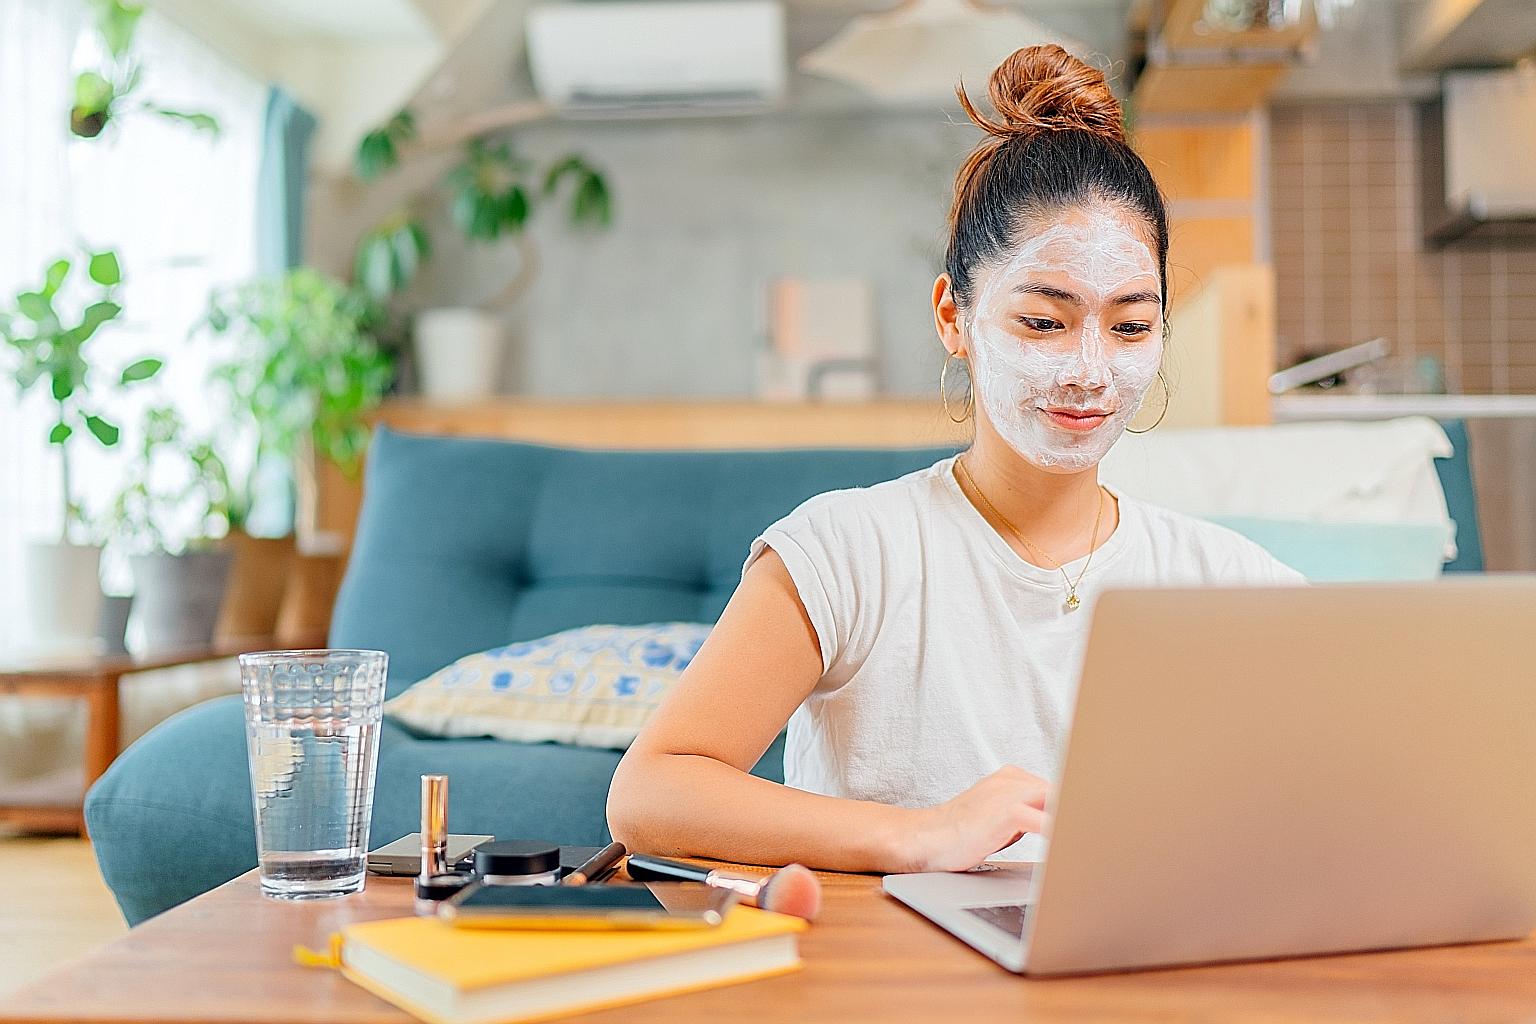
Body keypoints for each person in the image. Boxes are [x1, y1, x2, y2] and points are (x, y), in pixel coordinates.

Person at [607, 44, 1302, 875]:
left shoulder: (1231, 583)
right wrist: (917, 833)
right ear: (954, 316)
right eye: (1043, 322)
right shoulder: (847, 551)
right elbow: (651, 792)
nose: (1090, 370)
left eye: (1130, 326)